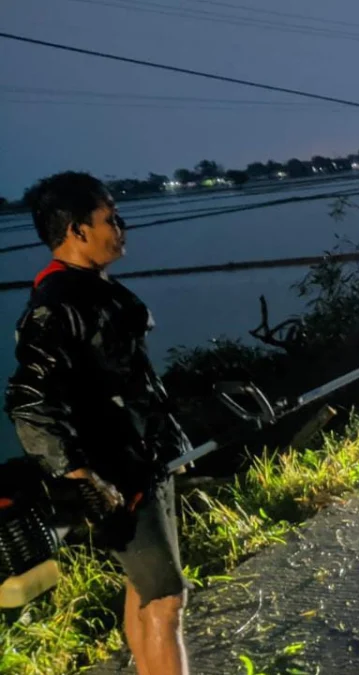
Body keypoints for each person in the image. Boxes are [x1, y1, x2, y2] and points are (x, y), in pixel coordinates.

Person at [4, 172, 191, 675]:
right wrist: (80, 477)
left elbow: (128, 382)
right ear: (76, 230)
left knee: (144, 589)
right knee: (168, 598)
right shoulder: (57, 304)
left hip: (140, 460)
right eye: (110, 219)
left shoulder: (90, 289)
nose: (121, 228)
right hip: (116, 473)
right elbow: (28, 399)